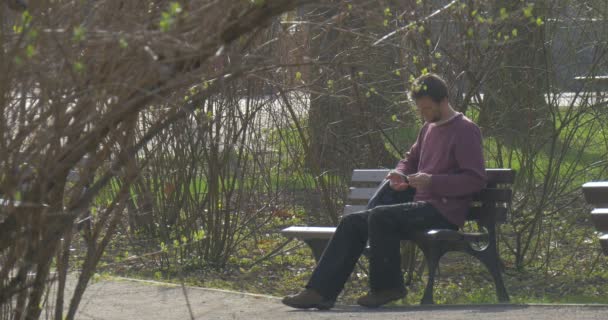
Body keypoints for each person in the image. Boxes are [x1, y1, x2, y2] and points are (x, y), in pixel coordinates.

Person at [282, 73, 487, 309]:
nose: (423, 113)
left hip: (443, 211)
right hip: (420, 205)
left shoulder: (465, 130)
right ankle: (319, 292)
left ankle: (388, 287)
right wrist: (399, 175)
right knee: (353, 222)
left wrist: (432, 181)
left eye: (427, 108)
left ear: (443, 100)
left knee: (381, 215)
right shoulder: (427, 129)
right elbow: (409, 160)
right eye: (420, 109)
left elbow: (475, 180)